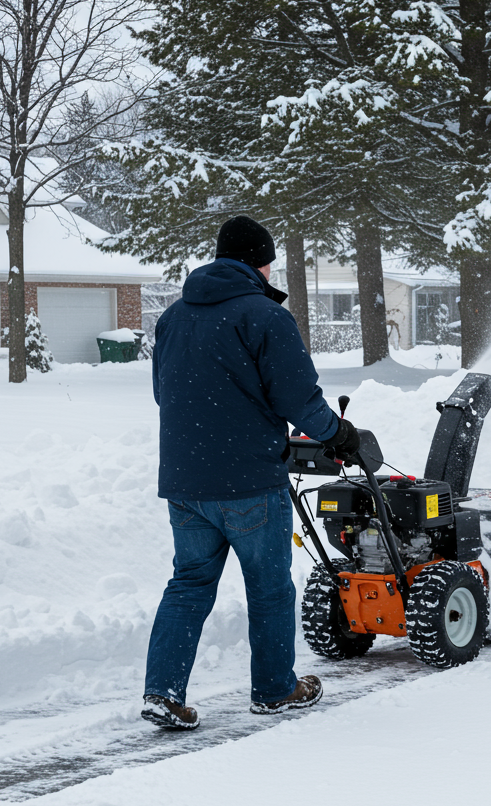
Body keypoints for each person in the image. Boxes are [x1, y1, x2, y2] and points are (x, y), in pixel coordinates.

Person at [141, 215, 361, 729]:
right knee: (269, 587)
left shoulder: (173, 317)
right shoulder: (264, 316)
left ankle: (162, 693)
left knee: (189, 584)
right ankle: (275, 690)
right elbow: (298, 399)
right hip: (248, 482)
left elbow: (163, 393)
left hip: (185, 481)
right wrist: (337, 434)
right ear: (260, 264)